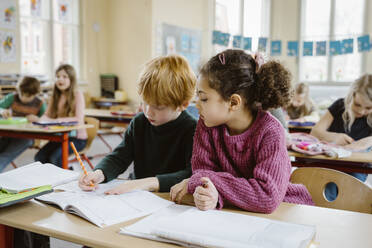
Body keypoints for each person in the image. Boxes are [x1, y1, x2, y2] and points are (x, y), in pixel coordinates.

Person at [170, 49, 314, 213]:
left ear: (233, 102)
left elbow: (266, 197)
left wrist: (210, 181)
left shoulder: (270, 132)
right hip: (234, 213)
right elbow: (203, 179)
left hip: (285, 211)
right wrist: (211, 194)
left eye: (204, 98)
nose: (197, 104)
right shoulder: (207, 125)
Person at [79, 54, 197, 194]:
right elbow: (119, 157)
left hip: (169, 198)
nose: (148, 112)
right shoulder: (140, 122)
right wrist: (99, 173)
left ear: (183, 105)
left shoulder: (192, 129)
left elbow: (192, 174)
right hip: (137, 195)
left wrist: (150, 182)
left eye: (158, 107)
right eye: (144, 102)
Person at [311, 74, 372, 201]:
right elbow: (315, 132)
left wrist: (367, 142)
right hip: (329, 163)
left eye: (368, 108)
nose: (361, 111)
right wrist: (335, 137)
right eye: (357, 105)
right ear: (352, 96)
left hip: (356, 169)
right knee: (323, 190)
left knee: (345, 193)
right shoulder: (339, 106)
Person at [34, 64, 87, 168]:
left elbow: (78, 119)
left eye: (64, 77)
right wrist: (40, 121)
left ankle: (66, 177)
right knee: (39, 158)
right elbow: (47, 115)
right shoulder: (55, 96)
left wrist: (56, 120)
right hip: (60, 137)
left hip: (77, 139)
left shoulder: (77, 95)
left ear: (71, 79)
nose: (60, 79)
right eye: (58, 76)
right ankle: (53, 179)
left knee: (55, 157)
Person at [0, 76, 46, 172]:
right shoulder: (12, 97)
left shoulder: (40, 103)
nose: (24, 98)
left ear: (35, 94)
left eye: (28, 96)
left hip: (27, 137)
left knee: (5, 156)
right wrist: (3, 111)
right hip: (7, 134)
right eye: (22, 94)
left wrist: (38, 119)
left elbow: (46, 120)